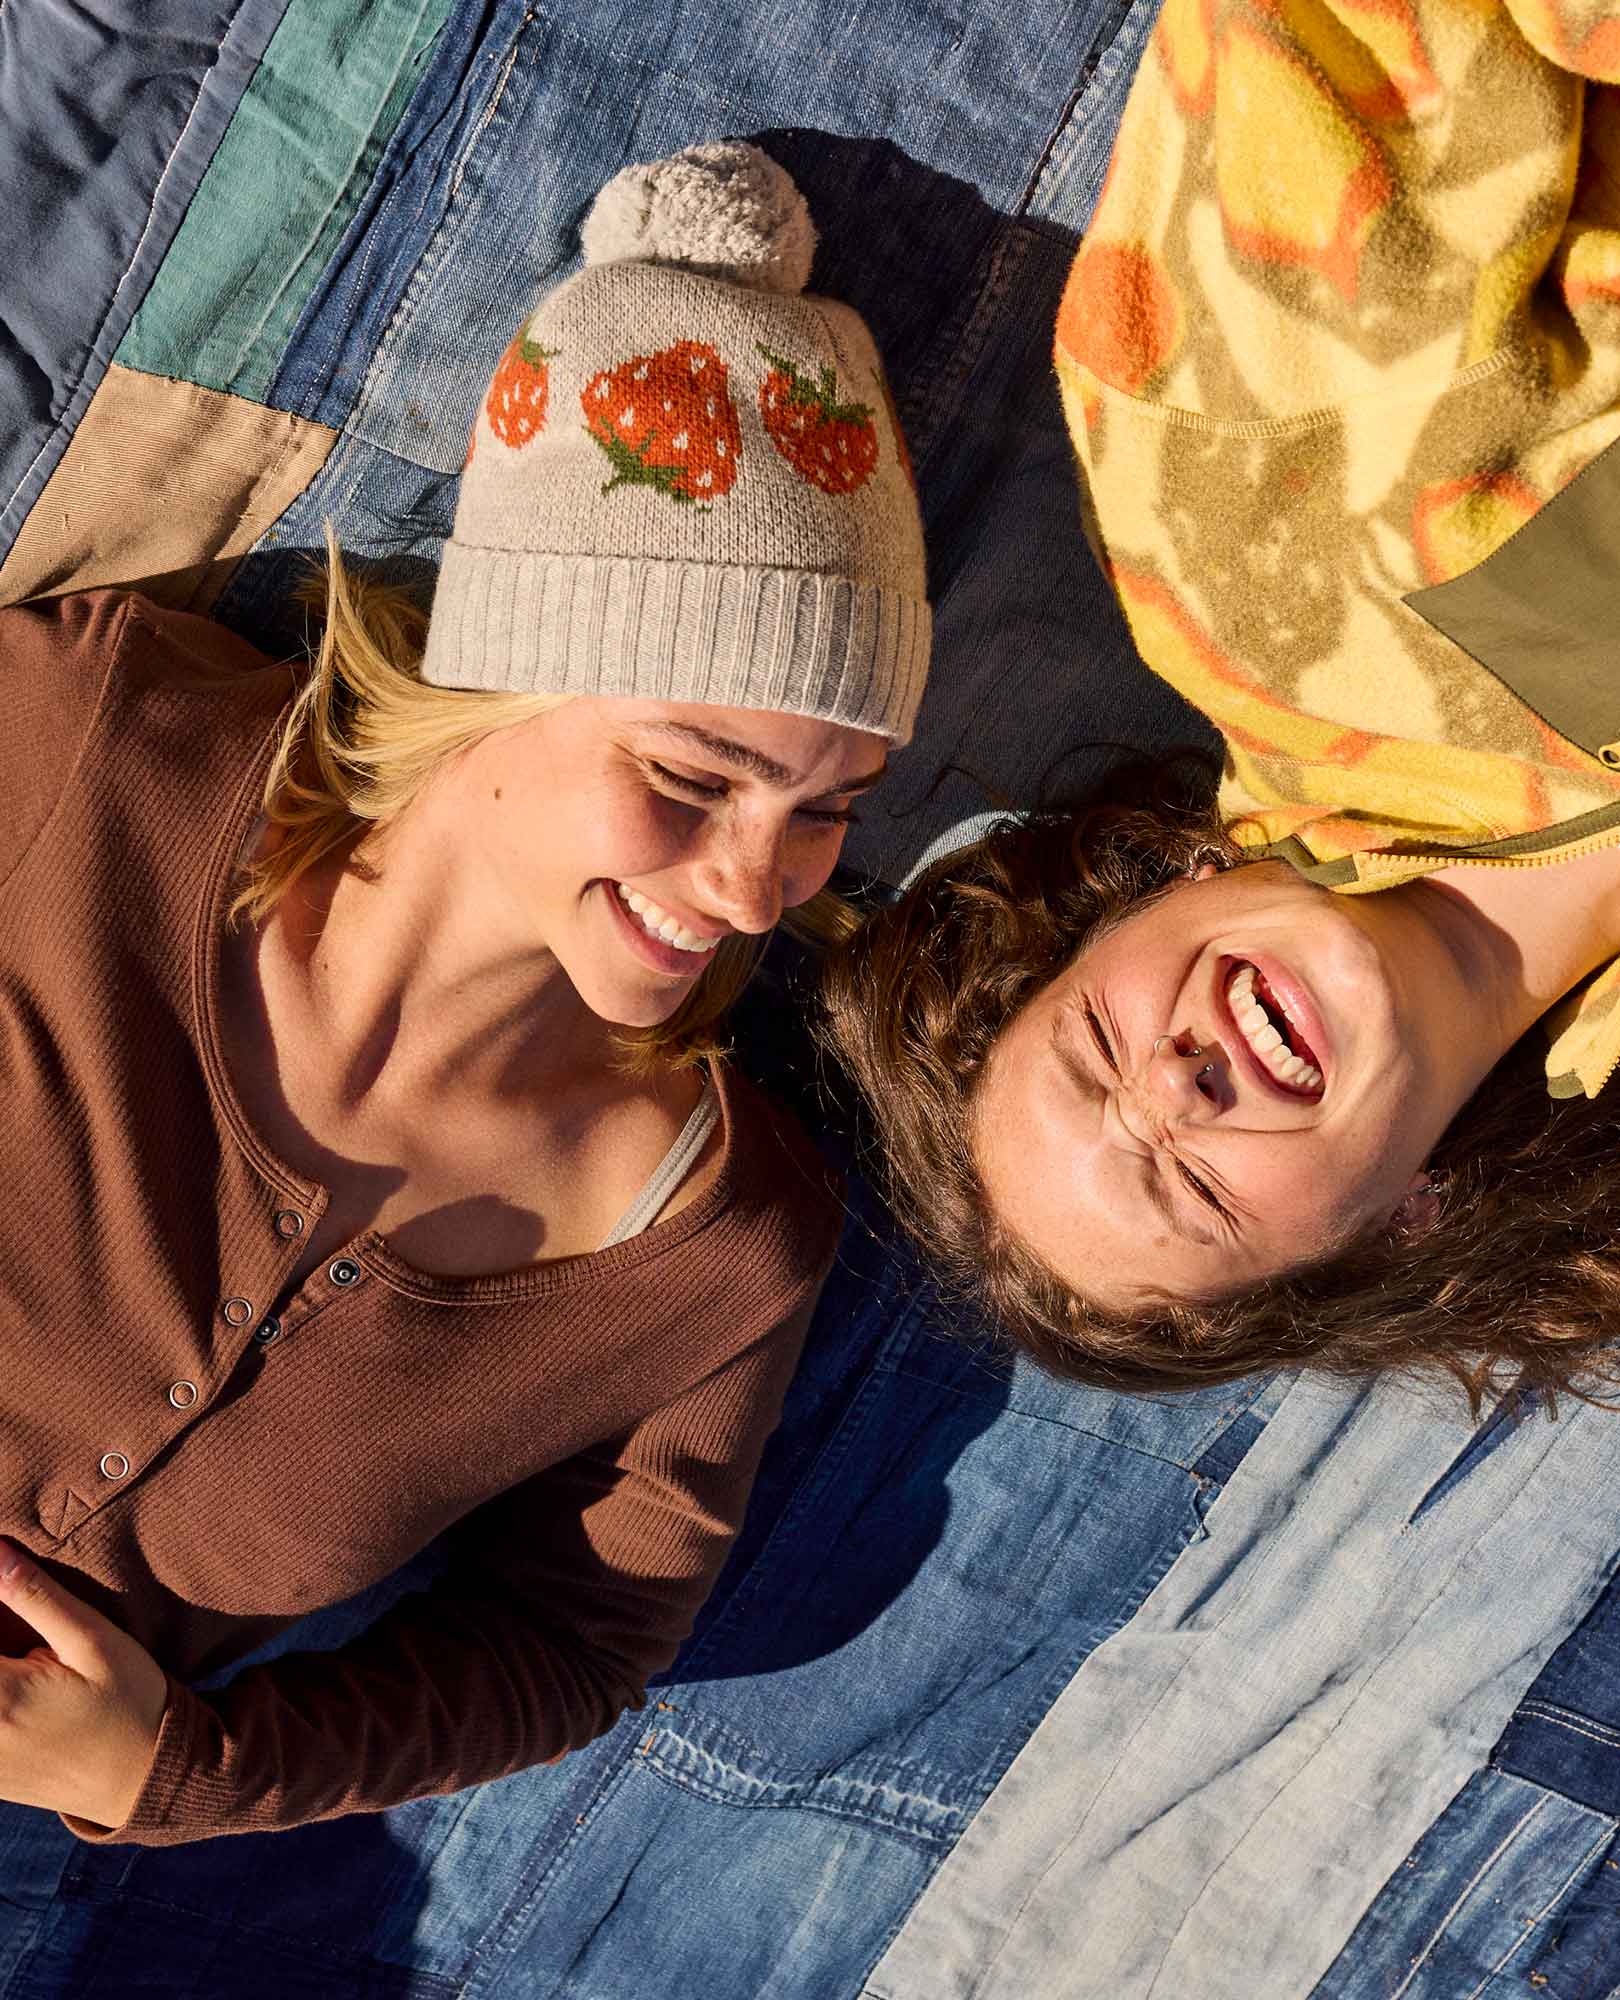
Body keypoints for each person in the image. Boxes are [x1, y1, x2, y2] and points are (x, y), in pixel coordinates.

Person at [0, 141, 928, 1846]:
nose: (754, 889)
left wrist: (174, 1774)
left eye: (829, 810)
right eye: (694, 775)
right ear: (504, 670)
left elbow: (573, 1647)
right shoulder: (85, 742)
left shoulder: (715, 1246)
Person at [824, 0, 1620, 1405]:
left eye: (1096, 1045)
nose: (1176, 1086)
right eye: (1194, 1187)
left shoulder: (1226, 506)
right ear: (1389, 1233)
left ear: (1139, 898)